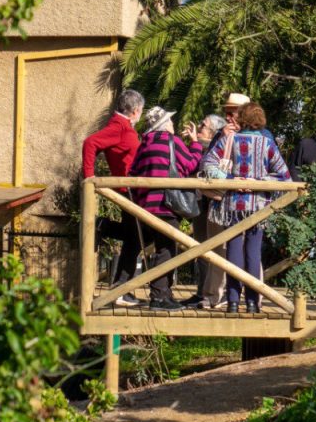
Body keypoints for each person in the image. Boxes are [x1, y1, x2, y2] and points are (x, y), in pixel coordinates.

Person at [201, 102, 291, 314]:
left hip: (232, 205)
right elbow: (284, 175)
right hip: (259, 207)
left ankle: (232, 301)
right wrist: (259, 180)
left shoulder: (230, 140)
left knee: (233, 251)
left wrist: (232, 179)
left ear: (243, 118)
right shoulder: (267, 144)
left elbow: (208, 164)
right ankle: (252, 302)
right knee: (253, 253)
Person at [128, 106, 204, 311]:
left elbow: (132, 172)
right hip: (166, 204)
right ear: (163, 125)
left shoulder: (144, 145)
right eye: (170, 121)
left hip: (145, 206)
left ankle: (164, 293)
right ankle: (159, 296)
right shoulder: (173, 142)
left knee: (162, 248)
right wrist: (196, 143)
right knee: (167, 250)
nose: (173, 124)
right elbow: (191, 164)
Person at [81, 88, 144, 307]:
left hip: (129, 191)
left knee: (134, 237)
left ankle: (121, 289)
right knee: (136, 237)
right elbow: (90, 143)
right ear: (135, 110)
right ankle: (121, 290)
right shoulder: (120, 127)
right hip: (128, 191)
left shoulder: (123, 127)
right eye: (141, 111)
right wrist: (89, 177)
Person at [181, 113, 228, 308]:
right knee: (199, 247)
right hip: (200, 203)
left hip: (215, 204)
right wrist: (194, 142)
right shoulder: (200, 146)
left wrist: (196, 142)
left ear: (214, 131)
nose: (199, 126)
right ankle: (202, 291)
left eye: (203, 125)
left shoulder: (218, 147)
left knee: (215, 249)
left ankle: (218, 292)